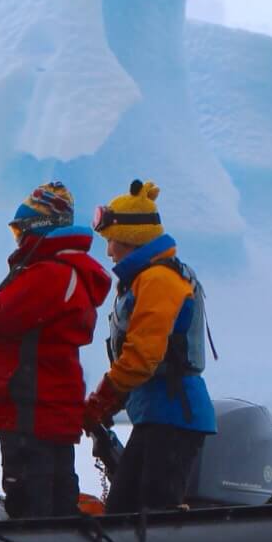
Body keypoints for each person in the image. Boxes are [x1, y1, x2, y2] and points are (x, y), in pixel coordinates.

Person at [0, 181, 112, 518]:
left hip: (31, 414)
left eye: (18, 230)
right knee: (58, 503)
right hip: (52, 411)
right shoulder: (68, 273)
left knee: (31, 508)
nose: (18, 239)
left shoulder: (48, 275)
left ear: (37, 228)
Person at [82, 180, 217, 512]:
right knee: (124, 514)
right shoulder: (146, 279)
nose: (108, 250)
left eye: (111, 240)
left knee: (153, 518)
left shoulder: (158, 281)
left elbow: (143, 356)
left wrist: (103, 398)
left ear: (130, 239)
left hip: (173, 417)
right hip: (157, 416)